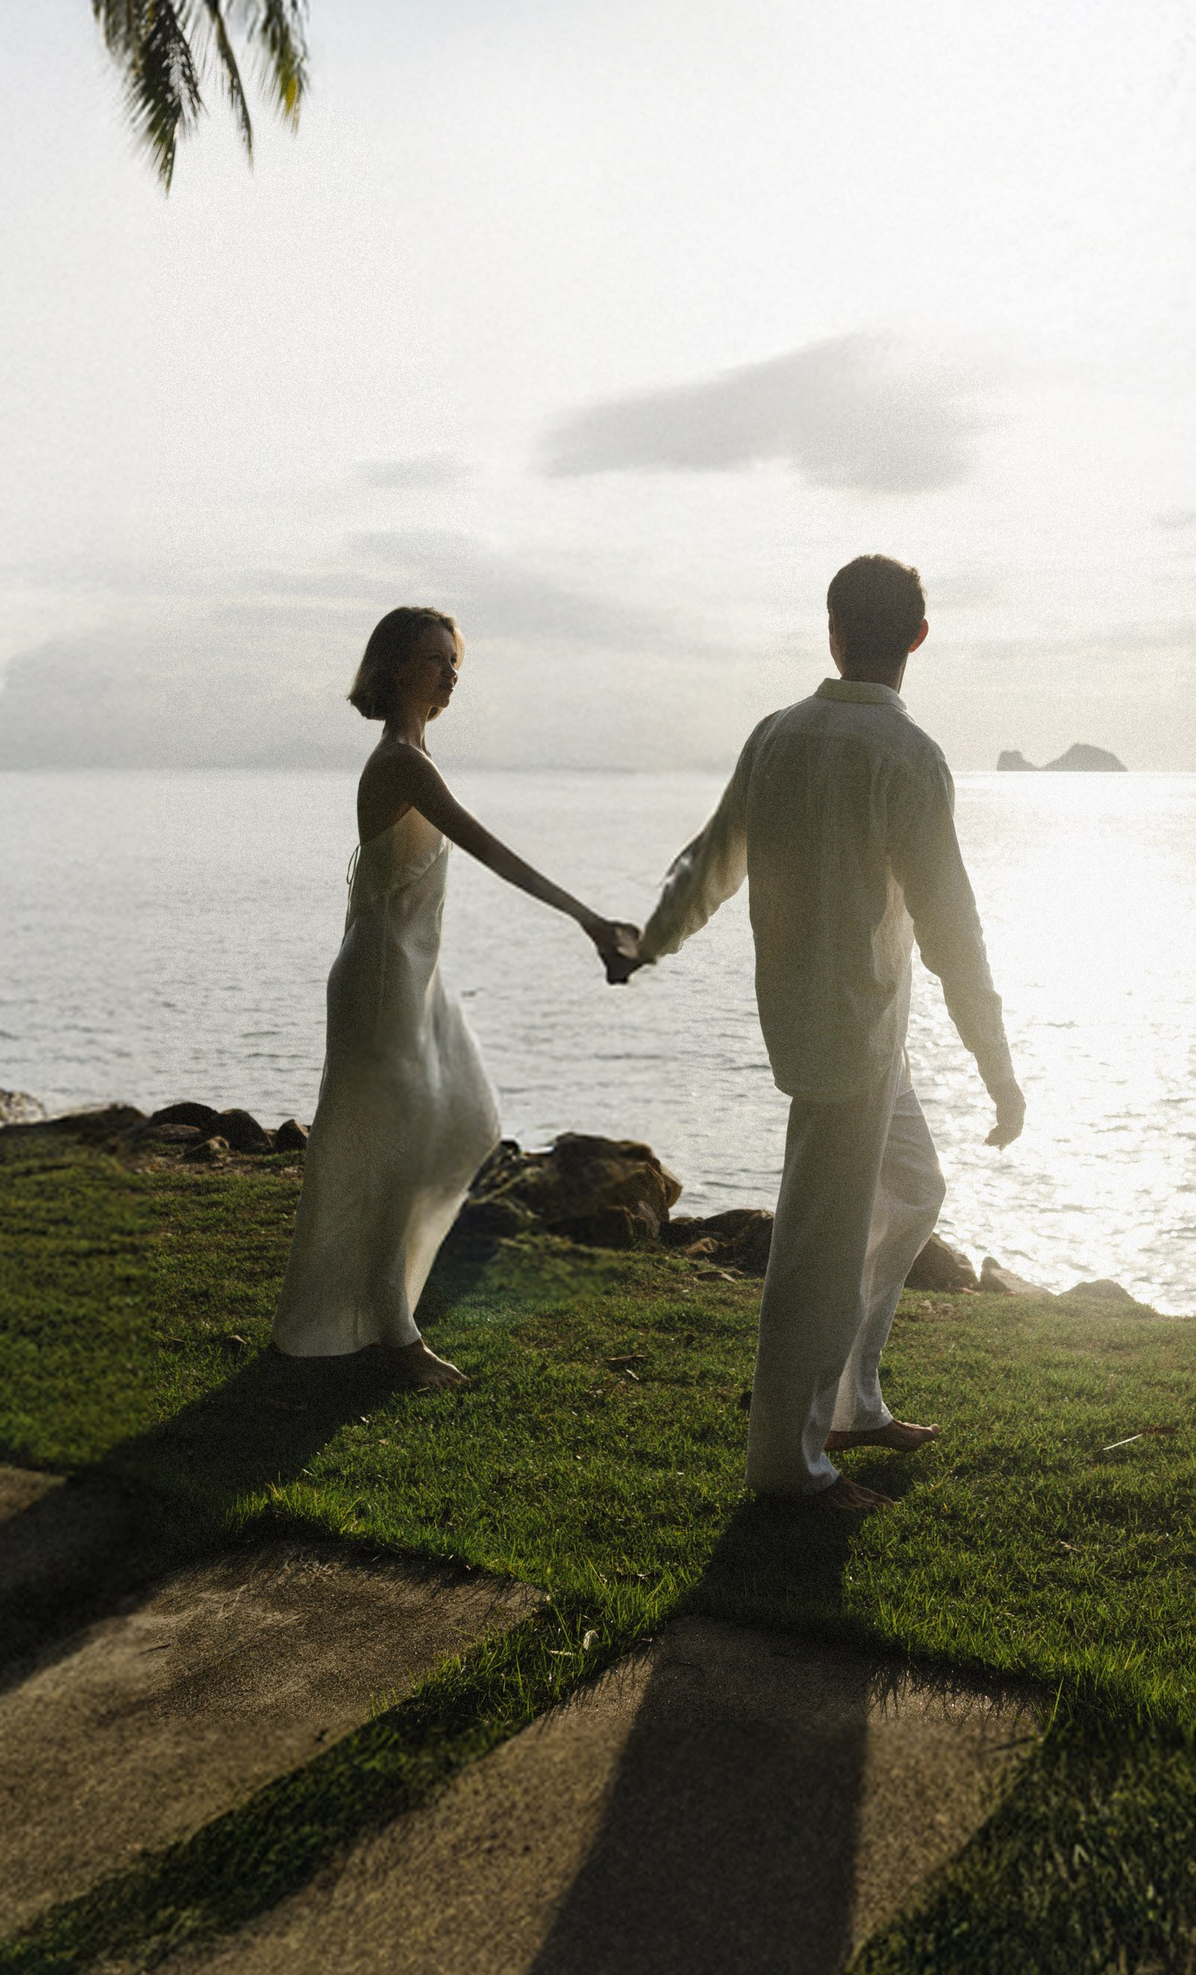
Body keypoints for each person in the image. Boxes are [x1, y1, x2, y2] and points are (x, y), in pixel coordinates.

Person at [630, 555, 1024, 1507]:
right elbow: (952, 929)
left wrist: (649, 941)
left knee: (915, 1186)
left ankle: (851, 1399)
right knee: (815, 1248)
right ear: (917, 639)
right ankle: (789, 1466)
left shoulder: (778, 735)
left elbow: (707, 863)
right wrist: (999, 1068)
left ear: (832, 628)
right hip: (848, 1033)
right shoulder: (908, 757)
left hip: (856, 1027)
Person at [270, 604, 643, 1386]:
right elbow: (490, 848)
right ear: (397, 665)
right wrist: (589, 918)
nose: (451, 673)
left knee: (465, 1119)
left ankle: (382, 1315)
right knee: (391, 1148)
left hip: (412, 976)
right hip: (381, 981)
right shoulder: (401, 761)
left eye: (456, 662)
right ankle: (395, 1336)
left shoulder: (413, 754)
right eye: (437, 658)